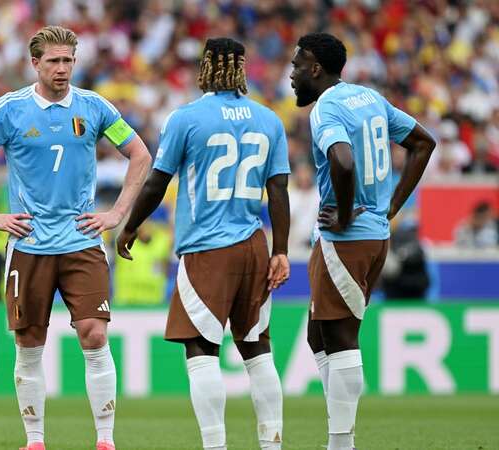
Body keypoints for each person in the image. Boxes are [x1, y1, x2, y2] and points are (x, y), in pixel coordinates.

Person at [0, 25, 152, 450]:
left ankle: (105, 440)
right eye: (54, 61)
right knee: (29, 343)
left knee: (94, 335)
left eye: (68, 61)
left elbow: (140, 153)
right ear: (35, 64)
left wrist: (118, 212)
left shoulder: (94, 108)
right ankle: (36, 440)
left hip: (82, 240)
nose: (62, 69)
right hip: (28, 243)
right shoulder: (9, 110)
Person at [117, 37, 291, 450]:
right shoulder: (269, 119)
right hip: (254, 243)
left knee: (201, 349)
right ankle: (273, 444)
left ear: (206, 67)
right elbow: (279, 191)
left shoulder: (187, 118)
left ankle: (215, 446)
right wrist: (280, 250)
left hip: (208, 248)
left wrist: (130, 227)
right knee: (257, 349)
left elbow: (158, 181)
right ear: (242, 69)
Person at [290, 32, 436, 450]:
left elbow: (342, 158)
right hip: (372, 235)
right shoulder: (368, 98)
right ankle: (339, 436)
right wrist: (389, 206)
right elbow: (423, 143)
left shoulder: (326, 109)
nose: (292, 74)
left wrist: (348, 208)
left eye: (298, 65)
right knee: (318, 335)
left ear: (316, 68)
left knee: (339, 337)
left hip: (347, 237)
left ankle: (341, 444)